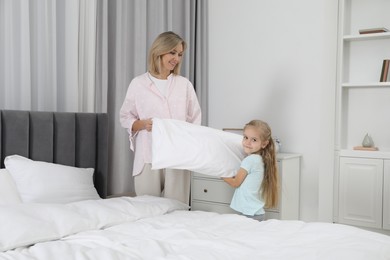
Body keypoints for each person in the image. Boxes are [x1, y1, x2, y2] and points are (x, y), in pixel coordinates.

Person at [119, 31, 201, 205]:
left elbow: (195, 118)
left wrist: (187, 143)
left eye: (180, 54)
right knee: (146, 208)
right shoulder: (138, 83)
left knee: (177, 208)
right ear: (159, 51)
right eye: (172, 52)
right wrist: (142, 124)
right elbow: (125, 116)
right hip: (148, 152)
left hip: (178, 153)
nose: (176, 59)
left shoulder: (184, 84)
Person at [222, 120, 279, 221]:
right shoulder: (260, 158)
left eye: (254, 140)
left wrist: (221, 174)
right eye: (245, 137)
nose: (247, 143)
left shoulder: (250, 160)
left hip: (250, 213)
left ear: (264, 144)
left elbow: (236, 183)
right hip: (255, 212)